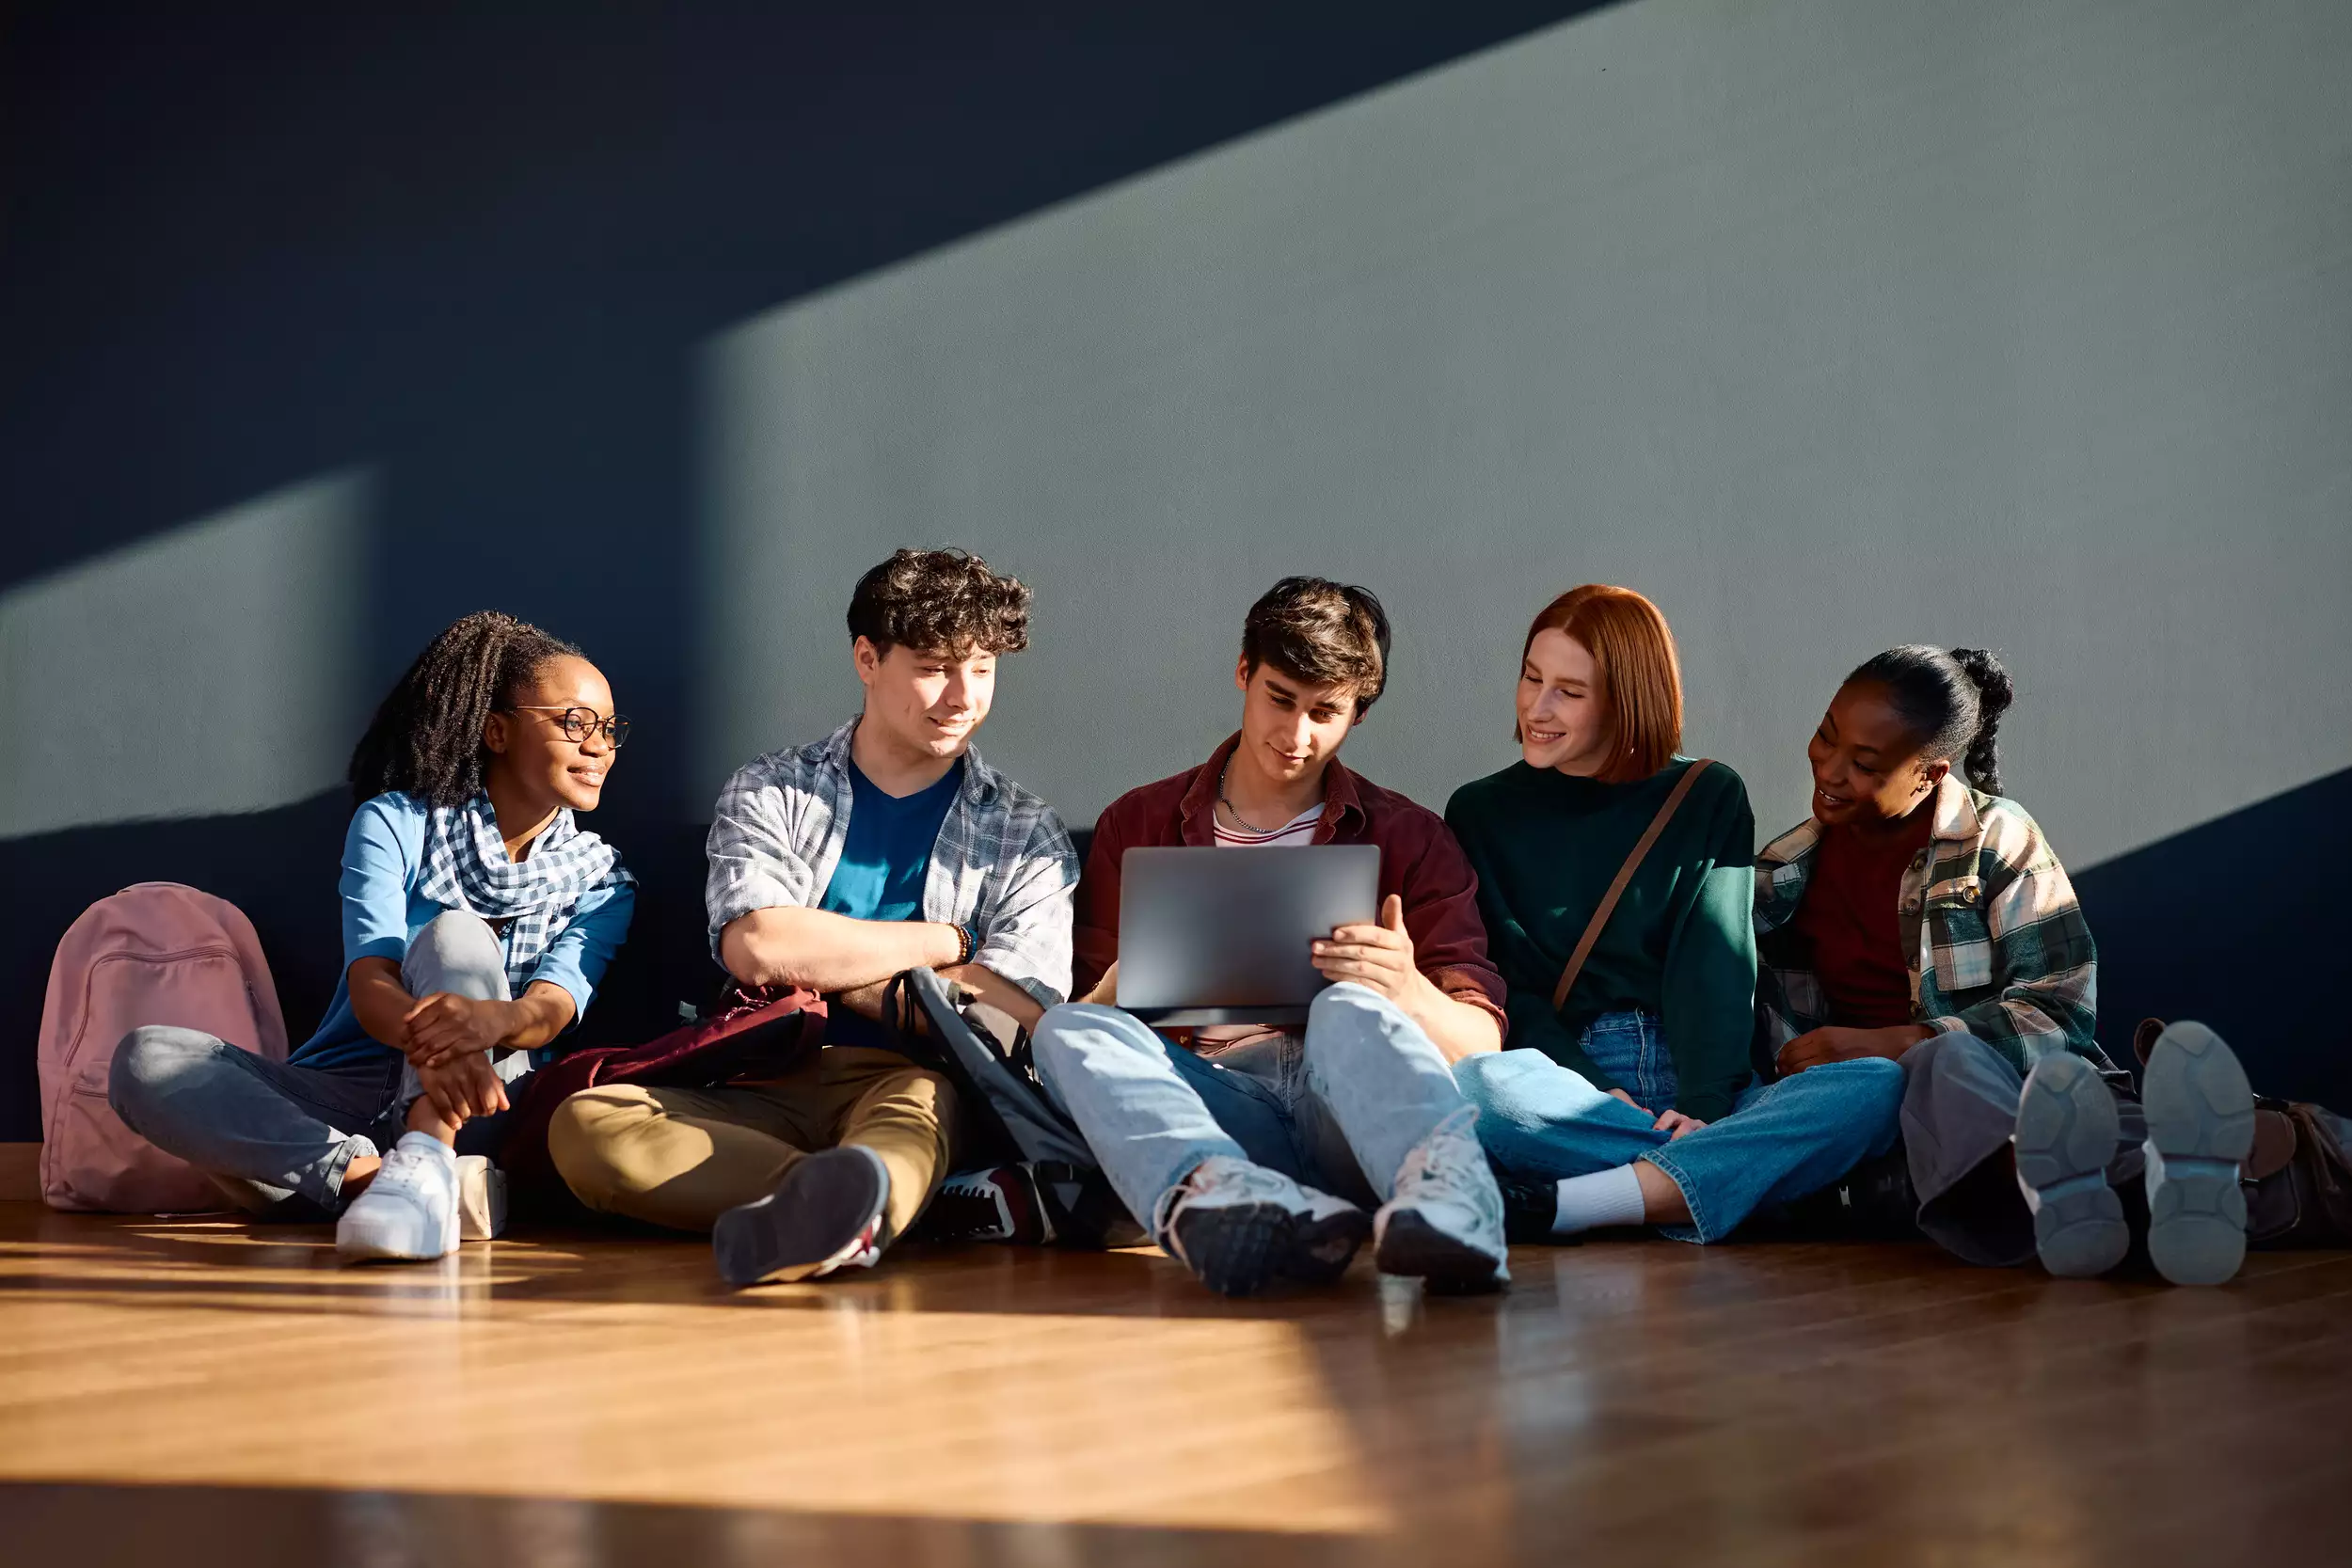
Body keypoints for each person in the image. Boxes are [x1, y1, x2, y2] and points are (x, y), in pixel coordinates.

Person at [547, 548, 1077, 1288]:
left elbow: (1012, 1014)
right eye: (933, 666)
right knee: (585, 1124)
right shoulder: (774, 790)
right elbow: (760, 946)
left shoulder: (1023, 831)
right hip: (763, 1079)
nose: (961, 695)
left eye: (981, 668)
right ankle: (850, 1204)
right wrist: (948, 943)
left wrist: (840, 972)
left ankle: (848, 1198)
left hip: (914, 1083)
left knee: (907, 1131)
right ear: (868, 657)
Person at [1029, 577, 1513, 1298]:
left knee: (1348, 1008)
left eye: (1326, 713)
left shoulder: (1410, 838)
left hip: (1348, 1112)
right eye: (1279, 698)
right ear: (1243, 673)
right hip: (1213, 1107)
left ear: (1359, 713)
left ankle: (1453, 1205)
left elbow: (1481, 1044)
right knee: (1065, 1029)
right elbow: (1092, 1033)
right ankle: (1229, 1196)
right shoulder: (1138, 823)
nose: (1296, 735)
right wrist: (1123, 987)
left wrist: (1407, 988)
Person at [109, 611, 637, 1261]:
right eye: (574, 722)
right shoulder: (394, 822)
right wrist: (444, 1030)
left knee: (454, 937)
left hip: (487, 1100)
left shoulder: (604, 880)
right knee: (145, 1058)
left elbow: (553, 1009)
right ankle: (377, 1182)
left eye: (610, 729)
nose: (599, 745)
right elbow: (371, 985)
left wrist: (484, 1021)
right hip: (346, 1093)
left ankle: (416, 1156)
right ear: (497, 730)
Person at [1755, 645, 2257, 1285]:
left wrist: (1902, 1042)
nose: (1829, 767)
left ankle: (2105, 1193)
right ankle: (2145, 1187)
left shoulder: (1998, 839)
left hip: (2018, 1099)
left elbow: (2060, 1009)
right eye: (1826, 736)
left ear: (1929, 775)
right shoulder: (1783, 873)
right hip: (1879, 1137)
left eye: (1864, 763)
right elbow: (1777, 1041)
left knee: (1948, 1059)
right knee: (1910, 1087)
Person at [1446, 586, 1903, 1244]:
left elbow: (1715, 967)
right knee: (1483, 1086)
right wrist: (1597, 1089)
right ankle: (1717, 1182)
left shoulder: (1707, 794)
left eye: (1569, 692)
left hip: (1698, 1067)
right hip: (1567, 1083)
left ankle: (1577, 1202)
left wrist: (1705, 1107)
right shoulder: (1479, 812)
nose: (1536, 708)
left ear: (1626, 699)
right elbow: (1509, 984)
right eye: (1531, 676)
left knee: (1876, 1086)